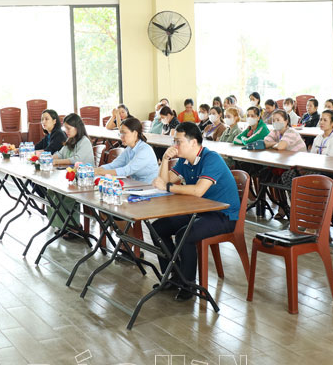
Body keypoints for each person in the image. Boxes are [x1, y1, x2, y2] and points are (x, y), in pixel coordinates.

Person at [151, 122, 241, 301]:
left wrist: (168, 187)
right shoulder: (185, 160)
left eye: (178, 141)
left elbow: (198, 190)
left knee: (184, 235)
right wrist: (166, 160)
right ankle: (173, 276)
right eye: (174, 141)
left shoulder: (211, 158)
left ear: (193, 142)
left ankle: (188, 284)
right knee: (157, 228)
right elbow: (164, 181)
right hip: (199, 211)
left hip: (223, 215)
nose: (175, 145)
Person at [48, 114, 95, 237]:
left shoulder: (84, 141)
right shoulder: (71, 140)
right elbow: (60, 154)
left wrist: (56, 162)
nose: (66, 131)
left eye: (69, 128)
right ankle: (62, 224)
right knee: (51, 191)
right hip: (72, 178)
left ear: (77, 127)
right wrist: (49, 158)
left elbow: (76, 159)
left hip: (84, 180)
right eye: (65, 128)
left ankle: (74, 226)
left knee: (65, 195)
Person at [96, 117, 159, 182]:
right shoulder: (129, 149)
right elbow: (114, 165)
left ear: (135, 133)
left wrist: (101, 172)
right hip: (135, 184)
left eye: (124, 133)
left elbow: (127, 170)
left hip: (149, 185)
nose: (121, 137)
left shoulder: (145, 150)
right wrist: (97, 169)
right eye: (120, 133)